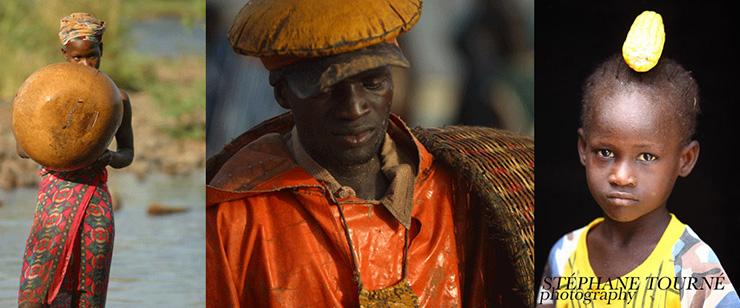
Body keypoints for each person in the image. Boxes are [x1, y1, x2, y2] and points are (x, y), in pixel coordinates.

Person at [206, 0, 534, 306]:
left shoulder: (461, 195)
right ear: (283, 94)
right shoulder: (232, 220)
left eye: (373, 83)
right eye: (327, 90)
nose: (354, 108)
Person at [536, 54, 739, 307]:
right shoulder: (564, 256)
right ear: (583, 149)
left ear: (685, 159)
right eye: (605, 152)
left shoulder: (693, 266)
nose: (621, 176)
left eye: (646, 156)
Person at [17, 12, 134, 307]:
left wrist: (108, 156)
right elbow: (22, 147)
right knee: (38, 284)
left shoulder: (116, 99)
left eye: (91, 57)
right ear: (64, 55)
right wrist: (58, 147)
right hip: (56, 199)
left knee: (89, 287)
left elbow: (127, 154)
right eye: (77, 58)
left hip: (94, 199)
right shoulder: (44, 93)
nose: (85, 65)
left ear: (101, 52)